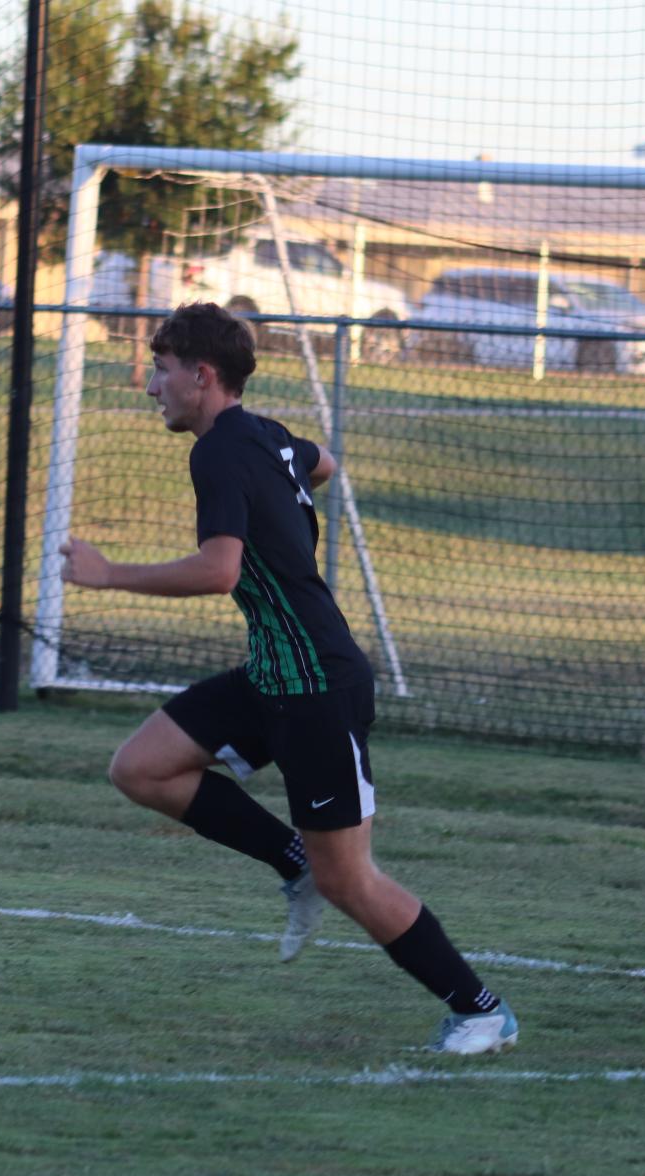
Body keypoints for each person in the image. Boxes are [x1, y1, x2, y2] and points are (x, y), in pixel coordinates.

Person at [56, 302, 518, 1055]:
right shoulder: (263, 436)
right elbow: (322, 461)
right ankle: (291, 861)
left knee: (351, 882)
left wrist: (109, 577)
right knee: (142, 768)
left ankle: (480, 1009)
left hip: (316, 686)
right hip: (275, 671)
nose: (151, 388)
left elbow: (218, 569)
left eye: (161, 369)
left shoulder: (217, 452)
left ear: (200, 376)